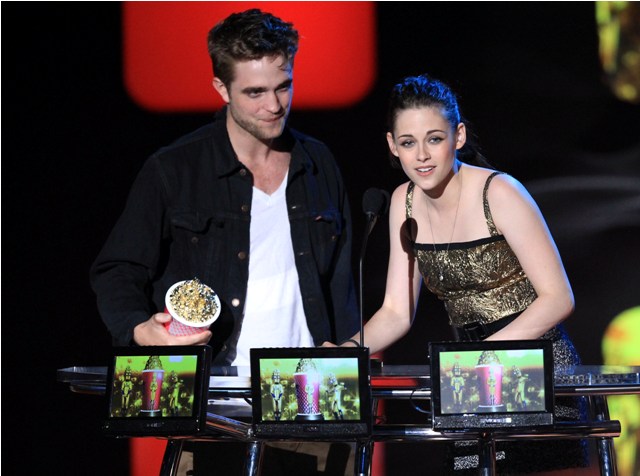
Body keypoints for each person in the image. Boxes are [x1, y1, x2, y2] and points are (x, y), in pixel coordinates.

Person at [90, 8, 358, 475]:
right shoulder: (175, 168)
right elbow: (117, 269)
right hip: (211, 410)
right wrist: (139, 330)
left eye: (283, 86)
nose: (274, 105)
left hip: (311, 402)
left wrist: (349, 363)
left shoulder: (318, 163)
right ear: (221, 88)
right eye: (255, 92)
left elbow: (342, 286)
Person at [326, 74, 588, 474]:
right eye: (408, 143)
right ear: (392, 146)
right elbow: (396, 312)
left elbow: (558, 298)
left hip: (534, 366)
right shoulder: (403, 202)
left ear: (458, 136)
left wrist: (477, 358)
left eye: (434, 139)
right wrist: (347, 352)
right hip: (467, 377)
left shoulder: (500, 192)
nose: (422, 155)